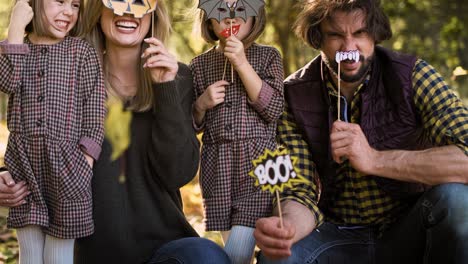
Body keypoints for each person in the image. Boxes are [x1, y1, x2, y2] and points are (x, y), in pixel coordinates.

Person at [0, 0, 231, 263]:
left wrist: (165, 88)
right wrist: (6, 176)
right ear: (98, 11)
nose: (128, 12)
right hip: (89, 251)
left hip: (164, 249)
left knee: (207, 257)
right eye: (117, 2)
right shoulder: (66, 70)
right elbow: (31, 129)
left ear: (154, 13)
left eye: (139, 2)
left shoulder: (178, 77)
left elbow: (178, 173)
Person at [253, 0, 468, 263]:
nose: (349, 48)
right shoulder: (292, 96)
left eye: (360, 33)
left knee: (456, 200)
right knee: (276, 258)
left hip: (409, 229)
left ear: (375, 34)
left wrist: (375, 159)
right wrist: (287, 227)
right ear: (318, 38)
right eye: (335, 35)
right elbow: (299, 191)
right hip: (336, 236)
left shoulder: (412, 75)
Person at [0, 0, 105, 262]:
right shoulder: (16, 48)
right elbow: (8, 82)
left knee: (58, 256)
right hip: (23, 164)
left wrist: (86, 161)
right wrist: (15, 27)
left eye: (75, 5)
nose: (68, 12)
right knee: (30, 254)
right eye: (59, 1)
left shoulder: (82, 52)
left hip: (68, 166)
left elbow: (95, 112)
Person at [191, 0, 284, 263]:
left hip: (261, 161)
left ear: (255, 17)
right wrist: (201, 104)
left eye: (241, 11)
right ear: (208, 20)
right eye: (221, 12)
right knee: (234, 245)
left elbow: (274, 109)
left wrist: (242, 63)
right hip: (217, 166)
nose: (231, 18)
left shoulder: (269, 56)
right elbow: (192, 125)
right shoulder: (199, 65)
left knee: (238, 252)